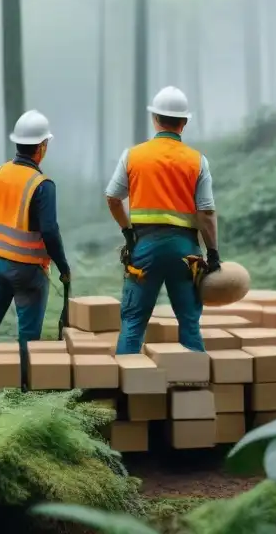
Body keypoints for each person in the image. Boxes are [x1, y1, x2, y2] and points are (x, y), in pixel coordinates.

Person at [105, 86, 219, 354]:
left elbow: (112, 198)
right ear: (185, 121)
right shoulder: (197, 161)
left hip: (144, 248)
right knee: (189, 323)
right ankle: (193, 389)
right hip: (185, 253)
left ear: (155, 118)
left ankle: (127, 391)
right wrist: (212, 252)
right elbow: (206, 213)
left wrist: (128, 232)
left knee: (133, 322)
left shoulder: (133, 156)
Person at [0, 110, 72, 365]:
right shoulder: (42, 185)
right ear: (42, 146)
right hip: (29, 272)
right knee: (29, 337)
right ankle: (24, 392)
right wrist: (63, 267)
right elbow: (49, 231)